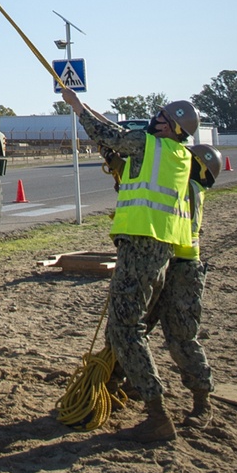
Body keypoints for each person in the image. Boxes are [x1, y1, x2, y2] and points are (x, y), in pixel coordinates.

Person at [61, 88, 196, 443]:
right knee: (125, 325)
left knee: (124, 328)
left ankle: (156, 410)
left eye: (163, 116)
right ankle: (119, 386)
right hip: (156, 248)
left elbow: (110, 135)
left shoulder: (151, 145)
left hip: (141, 245)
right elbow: (119, 141)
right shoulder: (175, 154)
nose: (156, 118)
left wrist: (76, 107)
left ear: (173, 127)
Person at [149, 142, 221, 425]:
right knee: (134, 329)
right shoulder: (186, 185)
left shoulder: (188, 189)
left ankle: (202, 401)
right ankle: (130, 383)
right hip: (165, 263)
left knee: (181, 338)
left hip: (182, 269)